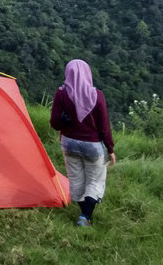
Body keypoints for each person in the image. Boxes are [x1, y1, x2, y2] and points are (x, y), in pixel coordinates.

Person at [50, 59, 116, 227]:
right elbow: (104, 126)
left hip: (69, 143)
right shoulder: (97, 95)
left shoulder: (61, 93)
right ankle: (85, 216)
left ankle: (84, 214)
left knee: (76, 179)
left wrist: (64, 125)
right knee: (95, 180)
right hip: (92, 145)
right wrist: (110, 149)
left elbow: (54, 123)